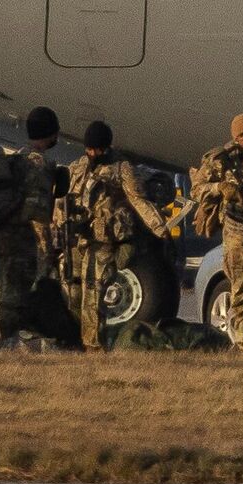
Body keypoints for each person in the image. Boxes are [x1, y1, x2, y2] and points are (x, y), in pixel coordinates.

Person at [62, 121, 169, 351]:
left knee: (94, 293)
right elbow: (63, 201)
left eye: (97, 149)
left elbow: (140, 202)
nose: (92, 154)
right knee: (72, 291)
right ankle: (71, 342)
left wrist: (160, 230)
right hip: (77, 241)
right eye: (89, 149)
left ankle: (92, 346)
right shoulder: (77, 168)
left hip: (103, 241)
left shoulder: (121, 170)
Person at [0, 107, 59, 347]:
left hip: (7, 237)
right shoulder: (39, 164)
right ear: (50, 133)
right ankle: (21, 348)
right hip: (27, 241)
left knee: (7, 294)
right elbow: (37, 210)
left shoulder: (15, 158)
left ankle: (3, 346)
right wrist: (47, 248)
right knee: (28, 296)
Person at [201, 113, 243, 351]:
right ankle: (241, 341)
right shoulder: (221, 159)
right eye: (242, 134)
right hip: (235, 233)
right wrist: (220, 187)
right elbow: (199, 189)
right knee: (238, 287)